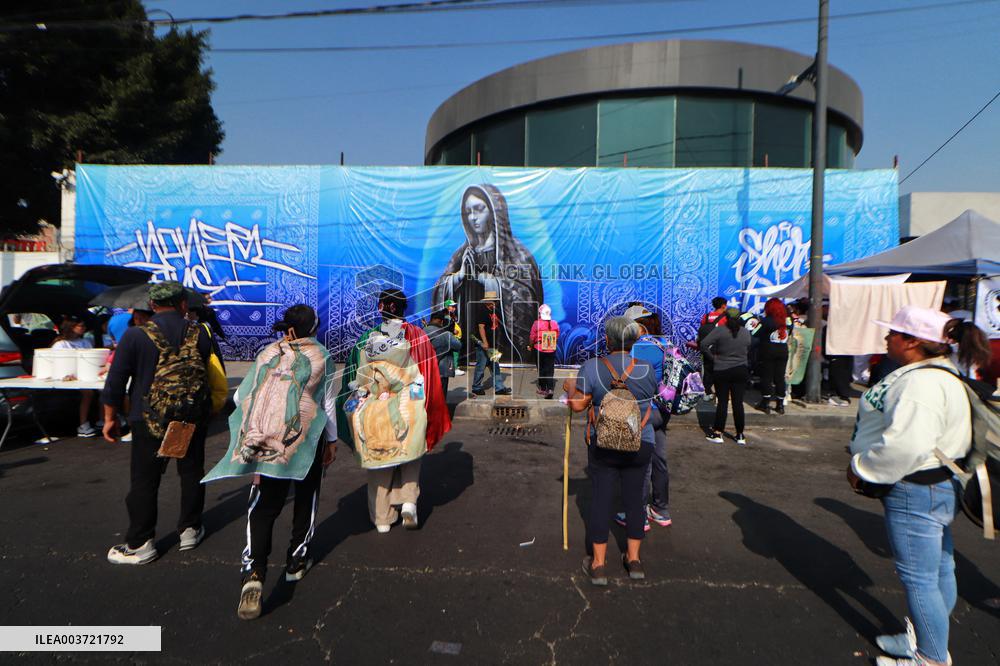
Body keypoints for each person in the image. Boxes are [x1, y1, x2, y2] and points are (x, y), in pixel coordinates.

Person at [847, 306, 972, 666]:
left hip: (914, 488)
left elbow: (906, 445)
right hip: (937, 484)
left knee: (919, 578)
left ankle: (931, 657)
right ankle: (925, 638)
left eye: (893, 333)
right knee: (938, 569)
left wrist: (861, 469)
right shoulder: (940, 372)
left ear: (913, 341)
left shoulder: (921, 383)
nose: (887, 338)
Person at [201, 305, 337, 621]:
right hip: (306, 441)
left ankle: (254, 573)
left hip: (264, 440)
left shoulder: (266, 354)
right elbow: (327, 403)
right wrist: (331, 440)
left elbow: (240, 398)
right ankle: (296, 562)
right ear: (312, 328)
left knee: (263, 506)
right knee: (306, 498)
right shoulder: (321, 356)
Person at [101, 281, 213, 565]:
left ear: (151, 305)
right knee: (190, 472)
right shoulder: (198, 333)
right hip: (189, 417)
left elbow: (115, 382)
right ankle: (190, 529)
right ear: (183, 304)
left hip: (148, 419)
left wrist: (110, 418)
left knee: (145, 480)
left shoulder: (136, 336)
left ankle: (141, 543)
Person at [336, 289, 451, 533]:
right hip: (409, 407)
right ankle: (408, 500)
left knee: (380, 462)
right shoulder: (419, 336)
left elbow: (355, 377)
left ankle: (383, 518)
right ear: (403, 308)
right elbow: (428, 378)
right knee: (411, 454)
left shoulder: (368, 338)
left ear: (381, 308)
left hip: (376, 411)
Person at [566, 316, 658, 586]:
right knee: (634, 500)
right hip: (640, 441)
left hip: (603, 442)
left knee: (601, 500)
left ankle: (598, 565)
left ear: (607, 339)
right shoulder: (646, 369)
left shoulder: (592, 367)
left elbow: (579, 405)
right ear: (634, 340)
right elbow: (651, 399)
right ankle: (634, 560)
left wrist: (570, 389)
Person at [432, 184, 544, 363]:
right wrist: (458, 278)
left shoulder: (517, 254)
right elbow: (441, 286)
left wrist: (488, 281)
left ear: (494, 213)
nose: (473, 217)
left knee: (495, 361)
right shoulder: (462, 254)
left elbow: (526, 298)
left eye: (479, 209)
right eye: (468, 211)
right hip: (470, 332)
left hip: (501, 336)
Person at [618, 304, 672, 528]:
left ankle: (637, 513)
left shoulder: (636, 350)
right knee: (659, 458)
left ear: (639, 328)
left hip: (643, 411)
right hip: (663, 409)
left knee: (641, 462)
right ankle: (661, 509)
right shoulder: (665, 344)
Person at [700, 307, 751, 445]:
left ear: (726, 317)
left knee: (722, 402)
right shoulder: (745, 332)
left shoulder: (720, 331)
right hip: (741, 370)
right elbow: (749, 347)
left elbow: (703, 345)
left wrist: (713, 358)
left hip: (722, 369)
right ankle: (740, 435)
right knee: (738, 403)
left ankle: (718, 433)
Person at [52, 314, 98, 437]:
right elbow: (58, 365)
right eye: (80, 326)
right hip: (66, 377)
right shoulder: (60, 344)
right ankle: (83, 424)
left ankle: (102, 420)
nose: (83, 328)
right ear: (71, 327)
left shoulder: (86, 341)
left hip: (85, 376)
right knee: (88, 393)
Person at [754, 298, 793, 415]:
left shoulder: (766, 321)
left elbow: (755, 333)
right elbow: (790, 332)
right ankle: (780, 404)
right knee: (780, 377)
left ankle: (765, 403)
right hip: (783, 350)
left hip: (768, 350)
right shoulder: (788, 321)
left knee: (767, 376)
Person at [471, 291, 512, 396]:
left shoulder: (492, 311)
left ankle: (499, 388)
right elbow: (481, 327)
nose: (495, 303)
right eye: (494, 301)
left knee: (495, 365)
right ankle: (476, 387)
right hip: (483, 344)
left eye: (495, 301)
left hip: (492, 344)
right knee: (481, 366)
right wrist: (484, 342)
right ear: (489, 302)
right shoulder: (483, 311)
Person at [694, 297, 728, 396]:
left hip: (707, 347)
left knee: (707, 369)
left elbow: (702, 329)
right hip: (719, 347)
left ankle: (707, 391)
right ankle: (720, 392)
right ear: (723, 305)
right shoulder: (725, 317)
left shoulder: (707, 316)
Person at [425, 310, 462, 397]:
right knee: (440, 396)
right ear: (441, 321)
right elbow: (458, 346)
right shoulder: (446, 334)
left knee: (427, 395)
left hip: (425, 370)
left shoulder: (421, 331)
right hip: (441, 370)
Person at [529, 304, 560, 398]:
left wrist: (530, 346)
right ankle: (550, 389)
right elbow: (557, 334)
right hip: (551, 349)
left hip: (539, 349)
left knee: (541, 369)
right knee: (550, 369)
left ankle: (543, 389)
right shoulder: (554, 323)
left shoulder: (536, 323)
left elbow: (532, 337)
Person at [443, 299, 465, 376]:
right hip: (452, 338)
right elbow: (446, 327)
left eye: (454, 307)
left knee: (454, 354)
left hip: (454, 337)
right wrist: (453, 331)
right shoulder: (446, 316)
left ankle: (453, 368)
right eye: (452, 307)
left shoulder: (451, 315)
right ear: (447, 307)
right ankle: (454, 369)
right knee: (454, 354)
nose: (454, 308)